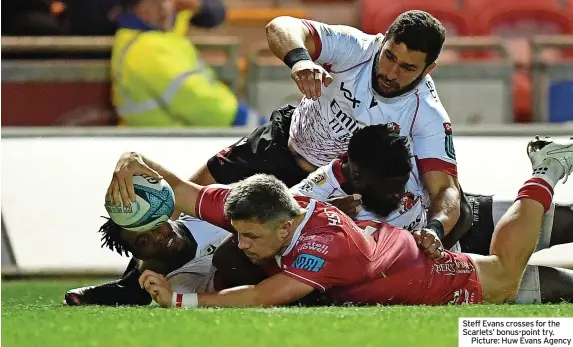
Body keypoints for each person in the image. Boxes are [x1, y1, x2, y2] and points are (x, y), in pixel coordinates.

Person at [106, 134, 572, 308]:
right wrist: (132, 158)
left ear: (285, 230)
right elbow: (185, 193)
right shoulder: (260, 205)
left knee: (507, 274)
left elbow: (262, 295)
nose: (242, 242)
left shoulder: (321, 246)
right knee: (556, 291)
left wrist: (180, 302)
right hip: (397, 253)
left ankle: (546, 170)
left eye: (250, 237)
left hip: (436, 277)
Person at [189, 10, 473, 251]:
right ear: (384, 39)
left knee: (238, 247)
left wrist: (435, 229)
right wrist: (300, 60)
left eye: (408, 68)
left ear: (429, 69)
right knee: (191, 196)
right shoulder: (356, 48)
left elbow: (446, 190)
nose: (391, 73)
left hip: (329, 188)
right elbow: (280, 26)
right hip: (281, 143)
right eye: (389, 57)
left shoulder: (427, 113)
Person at [111, 0, 260, 127]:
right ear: (139, 6)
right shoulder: (149, 49)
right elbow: (200, 102)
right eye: (157, 0)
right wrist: (249, 121)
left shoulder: (145, 39)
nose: (165, 7)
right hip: (172, 142)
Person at [64, 213, 230, 306]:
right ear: (138, 256)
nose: (158, 235)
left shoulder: (198, 213)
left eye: (154, 223)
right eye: (143, 241)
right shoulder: (182, 285)